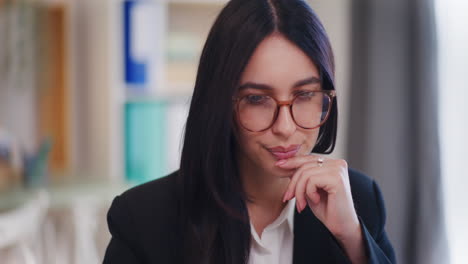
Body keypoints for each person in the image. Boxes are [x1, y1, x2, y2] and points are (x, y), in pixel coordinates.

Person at [103, 0, 396, 263]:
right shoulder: (142, 219)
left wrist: (352, 240)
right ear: (220, 102)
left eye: (305, 94)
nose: (285, 127)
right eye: (257, 99)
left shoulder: (359, 201)